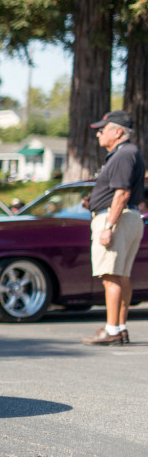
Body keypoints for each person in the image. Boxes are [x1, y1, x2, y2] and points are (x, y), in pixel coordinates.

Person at [81, 110, 146, 346]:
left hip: (116, 218)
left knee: (111, 277)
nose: (99, 134)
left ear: (118, 132)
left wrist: (108, 225)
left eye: (103, 129)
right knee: (121, 276)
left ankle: (112, 330)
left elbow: (122, 192)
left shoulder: (123, 154)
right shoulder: (126, 153)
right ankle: (119, 326)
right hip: (126, 216)